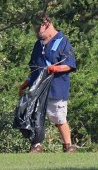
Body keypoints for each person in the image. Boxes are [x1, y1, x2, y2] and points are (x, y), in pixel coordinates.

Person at [18, 11, 77, 153]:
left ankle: (68, 146)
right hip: (37, 88)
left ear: (47, 24)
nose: (36, 31)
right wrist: (26, 83)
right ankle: (36, 146)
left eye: (38, 28)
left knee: (59, 118)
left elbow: (70, 65)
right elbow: (34, 68)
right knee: (34, 117)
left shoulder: (62, 41)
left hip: (56, 88)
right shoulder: (38, 45)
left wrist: (54, 68)